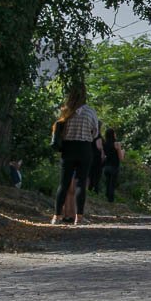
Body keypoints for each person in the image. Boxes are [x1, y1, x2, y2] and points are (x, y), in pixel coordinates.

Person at [51, 84, 102, 226]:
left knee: (64, 183)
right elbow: (95, 132)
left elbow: (59, 129)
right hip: (84, 148)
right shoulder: (90, 112)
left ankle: (56, 216)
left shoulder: (65, 111)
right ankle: (78, 218)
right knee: (81, 183)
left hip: (68, 148)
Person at [102, 126, 124, 203]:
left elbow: (103, 156)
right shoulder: (117, 144)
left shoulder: (104, 144)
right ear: (113, 134)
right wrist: (123, 152)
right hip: (114, 166)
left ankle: (106, 199)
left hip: (106, 166)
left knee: (108, 184)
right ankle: (111, 200)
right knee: (112, 184)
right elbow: (121, 158)